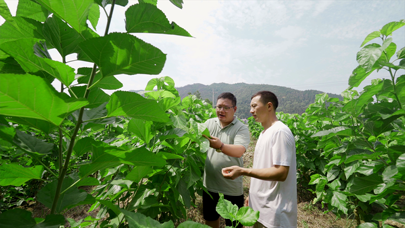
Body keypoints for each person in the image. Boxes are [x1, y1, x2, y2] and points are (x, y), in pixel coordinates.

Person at [222, 91, 297, 228]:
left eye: (254, 106)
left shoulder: (280, 132)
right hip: (261, 210)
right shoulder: (264, 133)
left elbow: (281, 172)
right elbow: (261, 168)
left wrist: (243, 171)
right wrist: (252, 196)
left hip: (274, 215)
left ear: (269, 106)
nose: (251, 111)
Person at [202, 92, 250, 228]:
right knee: (210, 219)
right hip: (210, 185)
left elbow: (239, 150)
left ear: (234, 109)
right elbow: (196, 137)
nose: (221, 110)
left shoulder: (241, 128)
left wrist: (221, 146)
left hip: (231, 187)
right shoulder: (209, 123)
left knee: (234, 223)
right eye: (218, 107)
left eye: (226, 107)